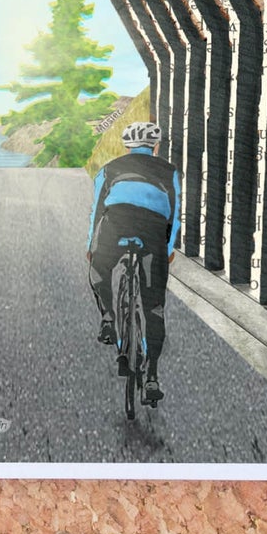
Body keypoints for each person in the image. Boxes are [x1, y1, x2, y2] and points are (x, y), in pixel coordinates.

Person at [84, 120, 181, 404]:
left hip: (116, 222)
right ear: (155, 146)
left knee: (99, 268)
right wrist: (169, 246)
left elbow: (97, 211)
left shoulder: (108, 168)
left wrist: (92, 246)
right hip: (151, 230)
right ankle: (151, 377)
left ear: (126, 145)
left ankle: (108, 318)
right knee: (154, 307)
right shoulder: (170, 171)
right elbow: (174, 215)